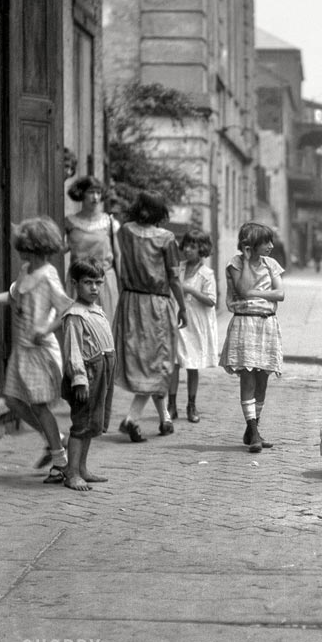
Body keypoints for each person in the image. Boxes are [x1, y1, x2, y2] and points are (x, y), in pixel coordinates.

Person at [0, 217, 71, 482]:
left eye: (23, 246)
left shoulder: (48, 276)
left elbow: (67, 310)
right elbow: (13, 296)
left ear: (36, 247)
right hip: (22, 350)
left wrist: (47, 329)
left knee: (40, 406)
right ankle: (55, 439)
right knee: (13, 401)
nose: (19, 251)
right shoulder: (27, 270)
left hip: (39, 352)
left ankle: (60, 461)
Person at [114, 191, 187, 442]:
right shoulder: (166, 238)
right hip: (156, 304)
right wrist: (183, 307)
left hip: (131, 301)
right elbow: (174, 278)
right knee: (159, 364)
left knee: (148, 362)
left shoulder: (124, 231)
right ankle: (132, 418)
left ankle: (165, 418)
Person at [219, 222, 284, 453]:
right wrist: (247, 261)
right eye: (265, 242)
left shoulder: (272, 264)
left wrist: (255, 293)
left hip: (267, 323)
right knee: (247, 378)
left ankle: (253, 427)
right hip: (245, 322)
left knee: (262, 379)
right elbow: (242, 288)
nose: (270, 246)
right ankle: (253, 430)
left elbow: (281, 293)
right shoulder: (236, 264)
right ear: (250, 245)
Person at [60, 257, 116, 491]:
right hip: (88, 374)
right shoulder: (75, 315)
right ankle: (71, 473)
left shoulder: (96, 310)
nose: (94, 288)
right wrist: (79, 380)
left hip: (102, 371)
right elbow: (73, 351)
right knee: (81, 424)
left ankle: (82, 467)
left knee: (93, 422)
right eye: (88, 282)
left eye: (98, 282)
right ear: (75, 283)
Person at [169, 228, 218, 424]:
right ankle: (171, 404)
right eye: (186, 245)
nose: (188, 250)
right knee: (174, 362)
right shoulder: (178, 269)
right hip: (178, 320)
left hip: (195, 322)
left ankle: (191, 403)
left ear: (202, 249)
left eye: (193, 246)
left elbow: (211, 300)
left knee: (192, 364)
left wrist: (190, 289)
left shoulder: (206, 274)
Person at [64, 175, 120, 320]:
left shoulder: (109, 222)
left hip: (103, 282)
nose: (95, 197)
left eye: (98, 192)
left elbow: (118, 256)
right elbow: (60, 249)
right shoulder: (69, 223)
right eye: (91, 192)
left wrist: (122, 285)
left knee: (104, 327)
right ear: (81, 193)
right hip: (78, 281)